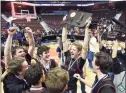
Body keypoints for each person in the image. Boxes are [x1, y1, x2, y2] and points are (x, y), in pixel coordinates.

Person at [62, 18, 91, 93]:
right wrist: (64, 26)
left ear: (79, 52)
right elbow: (64, 41)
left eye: (74, 50)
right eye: (71, 49)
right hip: (62, 88)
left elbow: (85, 48)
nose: (71, 51)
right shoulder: (68, 55)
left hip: (72, 90)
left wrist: (87, 28)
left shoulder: (80, 62)